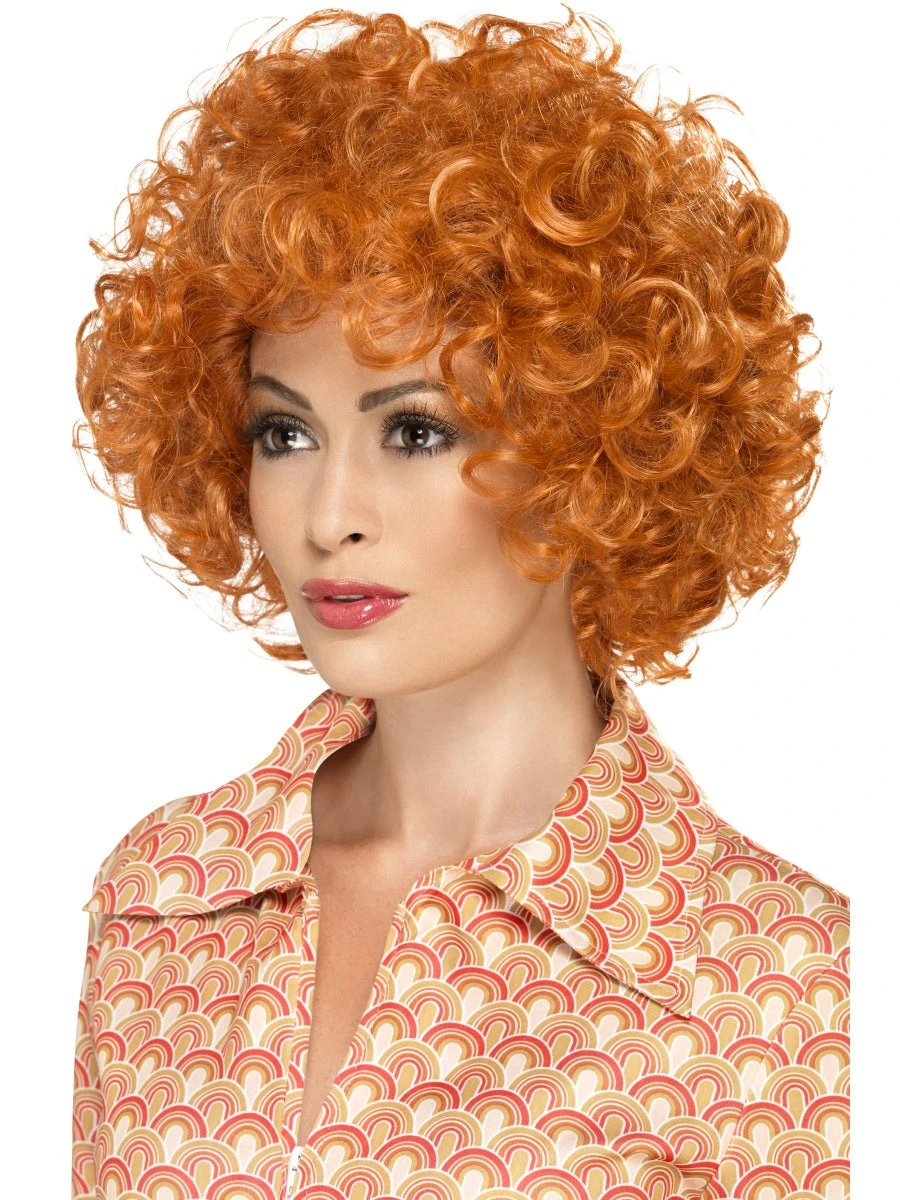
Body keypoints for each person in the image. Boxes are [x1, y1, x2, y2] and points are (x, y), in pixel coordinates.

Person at [71, 7, 850, 1199]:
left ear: (596, 444)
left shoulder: (780, 993)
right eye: (283, 432)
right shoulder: (161, 903)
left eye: (417, 432)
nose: (330, 514)